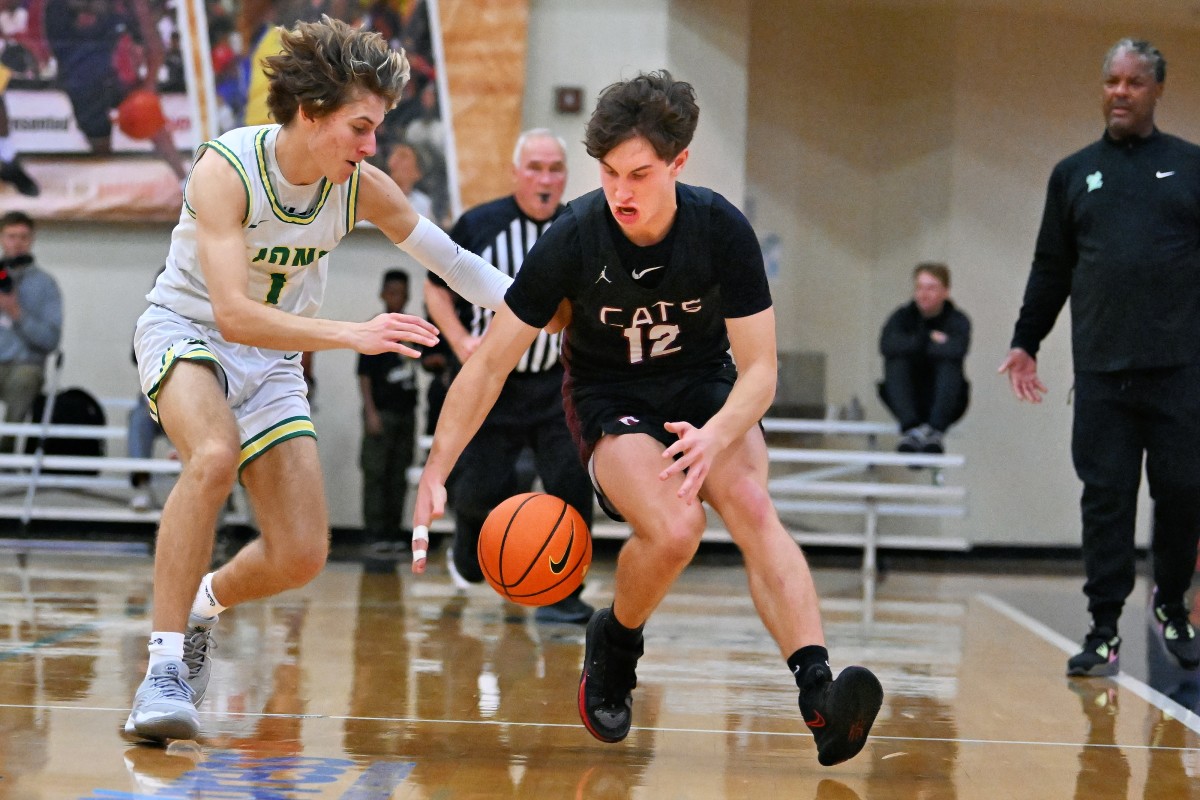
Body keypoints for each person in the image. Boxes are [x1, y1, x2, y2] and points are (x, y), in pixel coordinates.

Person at [413, 71, 882, 765]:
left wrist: (719, 432)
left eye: (638, 174)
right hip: (609, 395)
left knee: (751, 502)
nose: (621, 192)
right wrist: (436, 469)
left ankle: (818, 693)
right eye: (608, 173)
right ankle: (616, 644)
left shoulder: (719, 227)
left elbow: (760, 372)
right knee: (675, 528)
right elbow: (486, 365)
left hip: (705, 390)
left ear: (678, 162)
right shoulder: (574, 236)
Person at [124, 16, 515, 744]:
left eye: (378, 129)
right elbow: (235, 314)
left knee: (302, 553)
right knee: (211, 456)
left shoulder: (358, 188)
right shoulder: (225, 171)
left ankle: (203, 601)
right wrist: (350, 334)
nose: (373, 148)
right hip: (189, 331)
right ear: (310, 114)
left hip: (273, 358)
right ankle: (163, 668)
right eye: (360, 128)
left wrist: (543, 304)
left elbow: (456, 263)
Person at [1000, 38, 1200, 678]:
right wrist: (1026, 340)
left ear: (1156, 90)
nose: (1119, 92)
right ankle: (1104, 628)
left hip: (1180, 372)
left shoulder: (1190, 167)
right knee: (1106, 500)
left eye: (1133, 82)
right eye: (1112, 80)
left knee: (1182, 493)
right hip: (1104, 373)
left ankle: (1171, 604)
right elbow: (1050, 266)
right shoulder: (1074, 173)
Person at [424, 128, 595, 624]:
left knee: (569, 482)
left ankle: (563, 592)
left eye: (555, 169)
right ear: (516, 173)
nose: (545, 179)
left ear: (565, 176)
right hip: (492, 384)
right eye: (535, 168)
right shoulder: (480, 224)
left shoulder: (579, 226)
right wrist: (459, 341)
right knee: (479, 490)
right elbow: (435, 289)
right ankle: (467, 542)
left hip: (555, 385)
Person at [358, 269, 420, 569]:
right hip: (381, 411)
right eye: (393, 291)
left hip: (406, 412)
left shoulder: (412, 329)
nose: (398, 297)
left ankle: (395, 534)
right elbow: (364, 375)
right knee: (376, 473)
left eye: (403, 292)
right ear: (384, 294)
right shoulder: (375, 327)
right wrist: (370, 411)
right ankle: (375, 535)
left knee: (399, 474)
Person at [878, 262, 970, 454]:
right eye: (919, 287)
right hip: (909, 397)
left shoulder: (957, 320)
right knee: (897, 361)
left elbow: (956, 349)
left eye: (931, 288)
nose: (923, 294)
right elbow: (887, 346)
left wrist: (914, 344)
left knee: (948, 364)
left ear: (945, 291)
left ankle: (935, 429)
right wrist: (928, 339)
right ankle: (911, 428)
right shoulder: (901, 317)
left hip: (946, 399)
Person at [0, 211, 61, 452]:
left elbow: (50, 340)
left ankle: (6, 452)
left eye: (23, 237)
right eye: (11, 236)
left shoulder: (45, 284)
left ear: (32, 239)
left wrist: (17, 313)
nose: (17, 242)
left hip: (25, 364)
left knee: (24, 380)